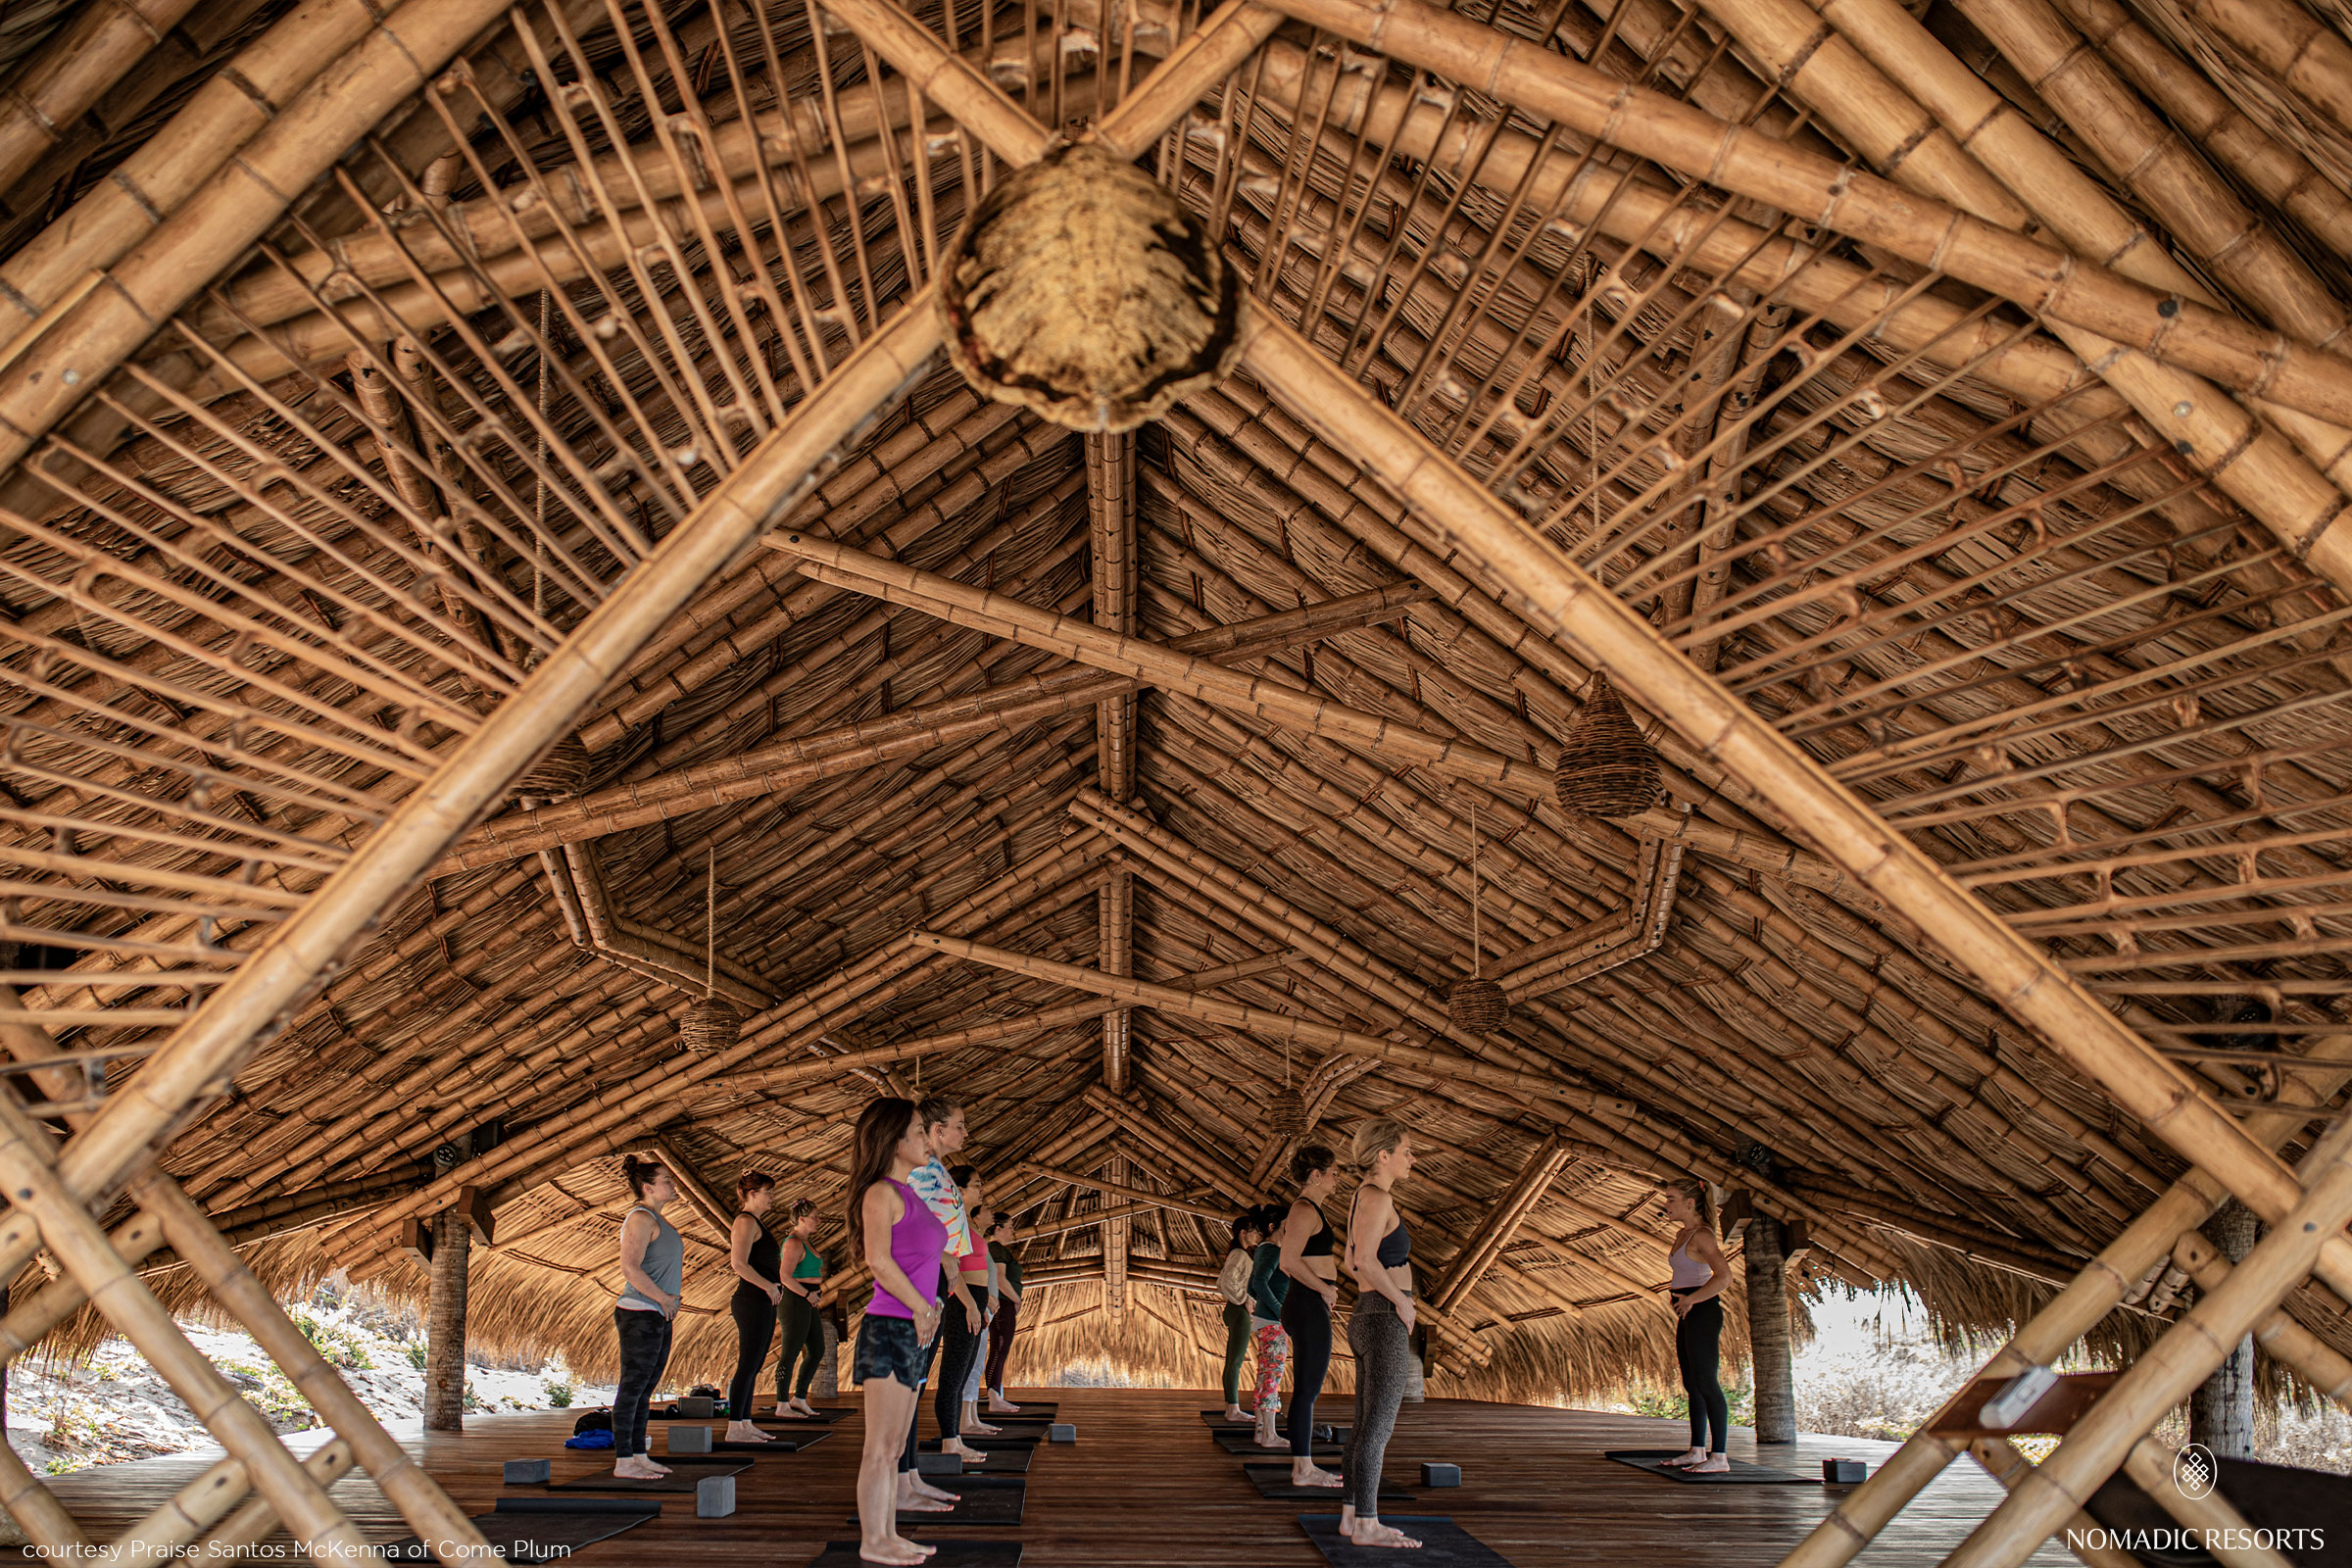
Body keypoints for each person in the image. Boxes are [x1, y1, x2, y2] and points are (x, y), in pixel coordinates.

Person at [849, 1098, 948, 1565]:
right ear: (893, 1139)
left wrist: (932, 1304)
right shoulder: (880, 1193)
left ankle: (887, 1534)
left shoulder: (909, 1193)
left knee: (894, 1447)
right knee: (879, 1447)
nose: (927, 1139)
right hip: (889, 1326)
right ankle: (873, 1541)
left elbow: (921, 1261)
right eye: (917, 1130)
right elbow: (878, 1261)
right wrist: (919, 1307)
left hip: (913, 1326)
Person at [1341, 1119, 1420, 1547]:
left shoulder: (1365, 1198)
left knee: (1363, 1425)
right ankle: (1368, 1525)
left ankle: (1353, 1516)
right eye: (1406, 1150)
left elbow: (1353, 1259)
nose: (1413, 1158)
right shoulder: (1375, 1196)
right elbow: (1365, 1262)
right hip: (1381, 1318)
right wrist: (1401, 1301)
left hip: (1369, 1316)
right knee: (1377, 1430)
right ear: (1383, 1155)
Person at [903, 1099, 981, 1474]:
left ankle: (910, 1471)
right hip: (922, 1276)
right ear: (938, 1130)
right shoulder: (921, 1172)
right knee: (909, 1382)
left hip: (935, 1276)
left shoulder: (935, 1170)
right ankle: (904, 1473)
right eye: (960, 1125)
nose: (965, 1133)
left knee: (916, 1379)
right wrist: (941, 1256)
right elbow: (905, 1221)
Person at [612, 1155, 683, 1480]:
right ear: (648, 1187)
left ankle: (638, 1453)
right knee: (633, 1386)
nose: (672, 1184)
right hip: (639, 1312)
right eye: (666, 1180)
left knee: (646, 1388)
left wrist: (665, 1303)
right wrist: (663, 1298)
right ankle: (623, 1460)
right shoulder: (640, 1218)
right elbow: (629, 1267)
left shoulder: (659, 1220)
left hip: (658, 1313)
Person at [1278, 1148, 1343, 1488]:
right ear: (1315, 1175)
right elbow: (1287, 1261)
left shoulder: (1311, 1210)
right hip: (1305, 1301)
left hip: (1307, 1302)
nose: (1337, 1177)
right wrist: (1325, 1289)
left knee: (1307, 1388)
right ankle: (1302, 1469)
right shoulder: (1303, 1209)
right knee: (1306, 1390)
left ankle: (1303, 1465)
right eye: (1333, 1171)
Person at [1661, 1178, 1733, 1474]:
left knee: (1706, 1381)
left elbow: (1724, 1277)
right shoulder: (1682, 1234)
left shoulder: (1702, 1236)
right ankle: (1697, 1450)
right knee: (1692, 1383)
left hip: (1703, 1312)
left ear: (1690, 1203)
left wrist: (1692, 1300)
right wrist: (1682, 1299)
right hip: (1687, 1312)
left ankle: (1720, 1457)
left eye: (1671, 1199)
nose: (1666, 1204)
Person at [933, 1163, 993, 1455]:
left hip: (973, 1303)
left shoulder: (964, 1222)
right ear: (959, 1189)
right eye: (977, 1184)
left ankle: (955, 1439)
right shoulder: (953, 1223)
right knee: (953, 1375)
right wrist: (970, 1304)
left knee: (963, 1372)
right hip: (961, 1302)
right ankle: (949, 1442)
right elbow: (952, 1271)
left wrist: (978, 1307)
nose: (981, 1190)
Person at [723, 1170, 784, 1443]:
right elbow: (738, 1263)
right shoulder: (745, 1221)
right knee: (748, 1362)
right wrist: (768, 1285)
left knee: (756, 1362)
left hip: (763, 1300)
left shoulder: (758, 1222)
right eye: (767, 1192)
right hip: (751, 1300)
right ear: (751, 1194)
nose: (772, 1197)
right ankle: (734, 1426)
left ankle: (745, 1422)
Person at [775, 1198, 826, 1418]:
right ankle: (781, 1404)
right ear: (802, 1219)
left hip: (808, 1300)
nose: (819, 1220)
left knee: (817, 1349)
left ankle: (799, 1397)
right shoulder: (794, 1242)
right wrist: (806, 1294)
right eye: (814, 1216)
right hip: (796, 1300)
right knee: (790, 1352)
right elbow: (785, 1276)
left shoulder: (807, 1241)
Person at [1247, 1203, 1291, 1449]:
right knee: (1272, 1376)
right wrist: (1280, 1310)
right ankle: (1270, 1435)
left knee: (1264, 1374)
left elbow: (1252, 1286)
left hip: (1264, 1321)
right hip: (1273, 1322)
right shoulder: (1273, 1251)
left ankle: (1261, 1431)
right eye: (1285, 1226)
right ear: (1273, 1227)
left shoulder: (1262, 1251)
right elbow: (1260, 1283)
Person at [1218, 1211, 1266, 1422]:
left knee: (1233, 1360)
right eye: (1254, 1231)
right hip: (1238, 1311)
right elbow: (1226, 1282)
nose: (1257, 1235)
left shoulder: (1240, 1254)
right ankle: (1233, 1408)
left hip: (1235, 1309)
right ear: (1243, 1233)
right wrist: (1244, 1299)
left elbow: (1224, 1280)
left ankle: (1232, 1406)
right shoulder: (1239, 1254)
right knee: (1235, 1360)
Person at [983, 1213, 1024, 1411]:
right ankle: (993, 1396)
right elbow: (1000, 1279)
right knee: (1000, 1348)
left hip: (1005, 1303)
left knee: (1001, 1348)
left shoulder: (999, 1250)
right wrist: (1016, 1299)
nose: (1012, 1231)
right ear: (997, 1228)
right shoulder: (996, 1249)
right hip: (1003, 1302)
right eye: (1010, 1226)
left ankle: (996, 1394)